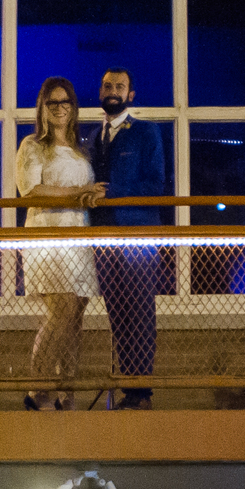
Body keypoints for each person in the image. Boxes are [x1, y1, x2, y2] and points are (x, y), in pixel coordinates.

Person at [15, 77, 104, 410]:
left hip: (80, 240)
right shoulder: (33, 146)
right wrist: (77, 195)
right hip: (47, 238)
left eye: (65, 102)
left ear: (74, 106)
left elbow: (89, 192)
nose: (59, 108)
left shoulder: (82, 149)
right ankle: (39, 389)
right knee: (62, 310)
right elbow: (30, 190)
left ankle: (68, 393)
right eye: (52, 103)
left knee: (76, 315)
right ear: (42, 107)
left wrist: (94, 197)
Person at [87, 68, 169, 409]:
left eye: (120, 86)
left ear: (131, 95)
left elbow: (155, 185)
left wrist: (115, 193)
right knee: (118, 314)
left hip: (137, 236)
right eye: (107, 85)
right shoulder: (93, 136)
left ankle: (141, 393)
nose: (113, 91)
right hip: (104, 238)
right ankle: (128, 388)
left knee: (140, 313)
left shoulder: (147, 133)